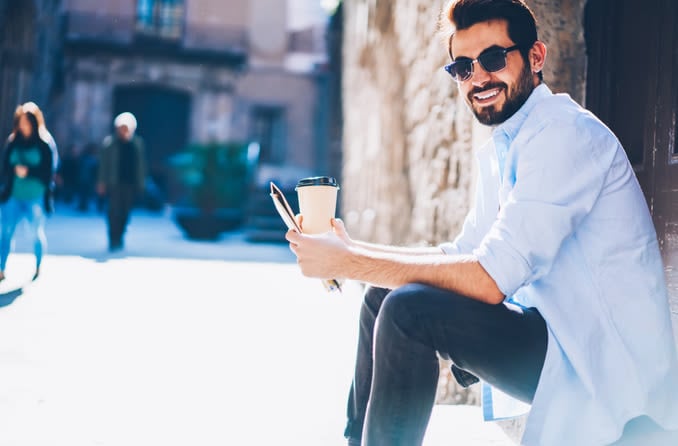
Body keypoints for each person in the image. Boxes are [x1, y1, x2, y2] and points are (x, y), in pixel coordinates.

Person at [285, 1, 678, 445]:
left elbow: (489, 279)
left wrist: (351, 261)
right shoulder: (508, 145)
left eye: (493, 59)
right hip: (559, 342)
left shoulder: (563, 134)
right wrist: (354, 256)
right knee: (384, 294)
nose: (478, 78)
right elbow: (463, 255)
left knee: (407, 311)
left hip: (607, 366)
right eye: (462, 67)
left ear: (535, 57)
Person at [0, 102, 57, 281]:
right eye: (21, 122)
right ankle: (1, 268)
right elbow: (5, 168)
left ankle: (38, 265)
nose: (24, 126)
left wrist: (29, 171)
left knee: (35, 232)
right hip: (14, 195)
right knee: (6, 231)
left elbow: (49, 172)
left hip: (35, 196)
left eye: (27, 122)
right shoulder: (13, 141)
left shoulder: (44, 143)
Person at [97, 112, 146, 251]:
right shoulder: (109, 144)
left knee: (126, 211)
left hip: (130, 183)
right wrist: (101, 182)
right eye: (121, 128)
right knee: (113, 211)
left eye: (127, 128)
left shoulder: (137, 144)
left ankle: (120, 236)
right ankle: (113, 238)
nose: (124, 131)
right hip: (114, 183)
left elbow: (141, 165)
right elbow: (103, 165)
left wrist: (141, 183)